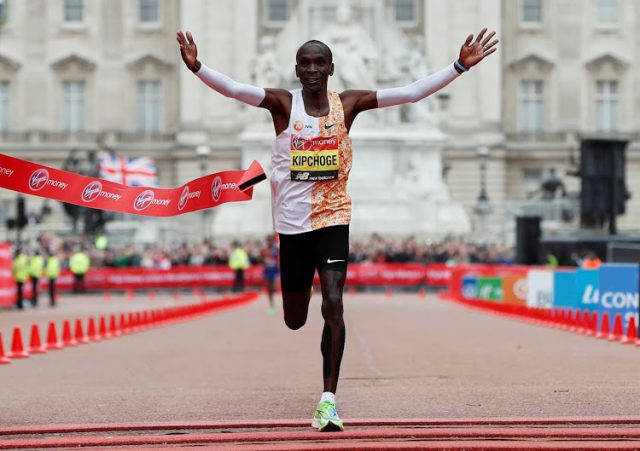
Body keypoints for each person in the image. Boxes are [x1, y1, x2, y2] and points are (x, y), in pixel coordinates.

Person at [177, 26, 498, 432]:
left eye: (319, 63)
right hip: (292, 227)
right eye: (305, 63)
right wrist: (198, 67)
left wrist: (458, 67)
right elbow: (235, 90)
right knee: (295, 318)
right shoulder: (281, 105)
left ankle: (328, 400)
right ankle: (302, 301)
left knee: (334, 302)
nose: (312, 70)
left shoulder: (347, 105)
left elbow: (410, 93)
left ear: (331, 68)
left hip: (333, 219)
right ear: (296, 70)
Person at [262, 234, 280, 315]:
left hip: (274, 270)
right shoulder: (264, 250)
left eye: (270, 240)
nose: (269, 242)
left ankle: (276, 303)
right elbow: (261, 259)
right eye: (268, 240)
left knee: (274, 288)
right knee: (269, 289)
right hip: (267, 270)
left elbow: (278, 256)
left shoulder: (275, 249)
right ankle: (271, 305)